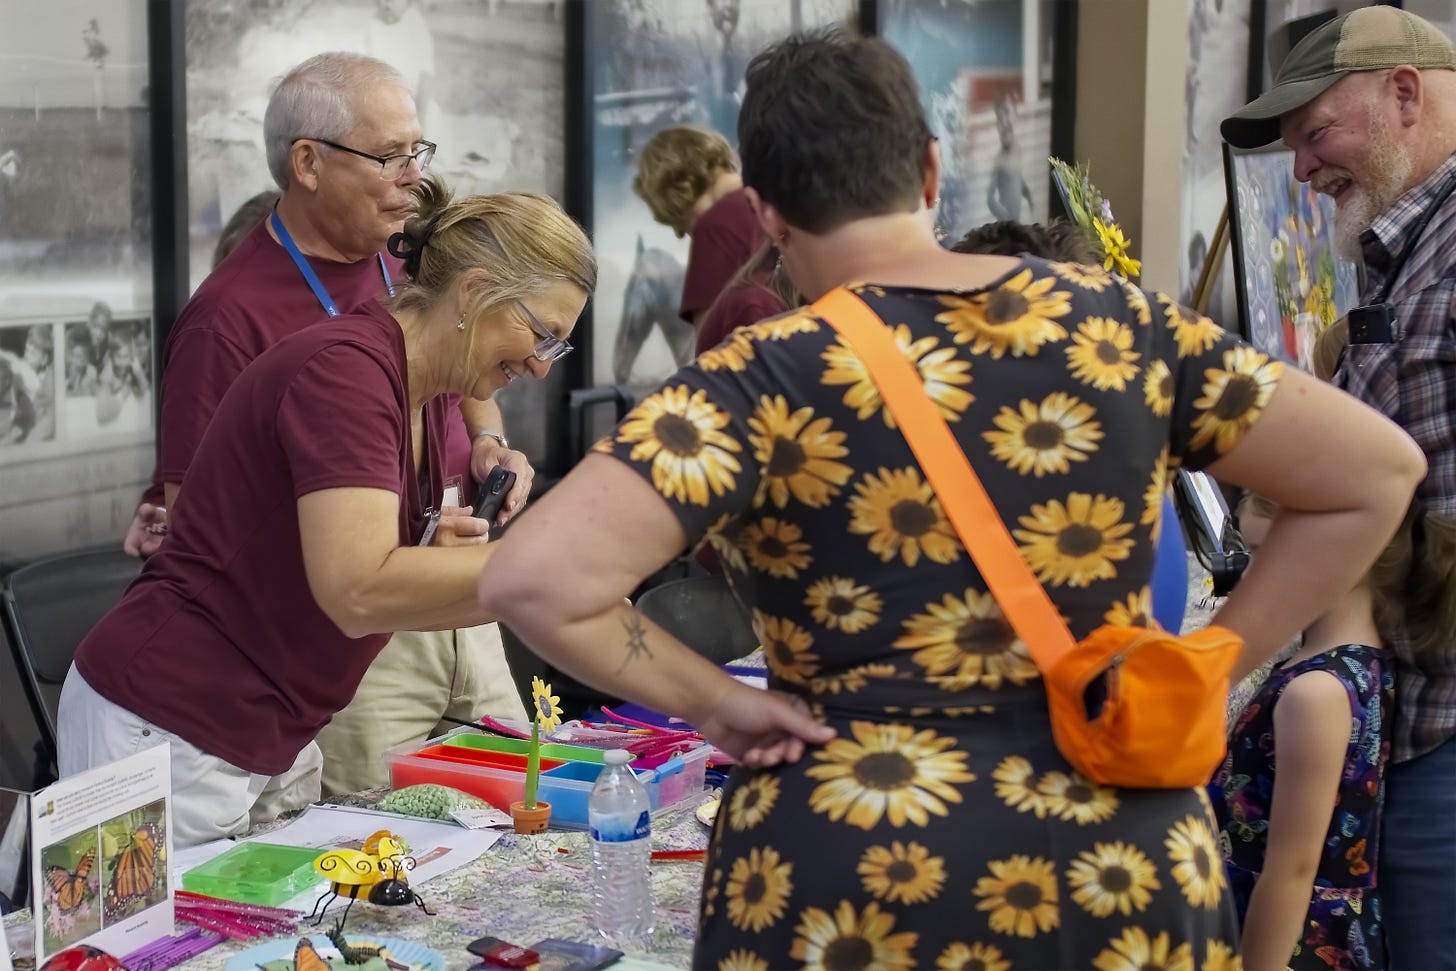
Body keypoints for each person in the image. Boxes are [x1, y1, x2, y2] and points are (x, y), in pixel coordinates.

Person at [480, 29, 1423, 968]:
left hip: (845, 866)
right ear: (931, 173)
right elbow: (1375, 474)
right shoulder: (1119, 326)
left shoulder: (760, 378)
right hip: (1114, 855)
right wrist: (1210, 665)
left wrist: (716, 701)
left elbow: (533, 577)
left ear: (767, 217)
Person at [58, 177, 595, 847]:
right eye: (543, 335)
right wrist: (541, 564)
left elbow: (378, 583)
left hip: (266, 727)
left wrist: (449, 570)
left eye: (556, 347)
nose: (542, 367)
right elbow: (357, 588)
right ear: (472, 291)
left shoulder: (424, 389)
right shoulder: (346, 373)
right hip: (172, 717)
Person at [122, 53, 533, 796]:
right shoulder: (228, 319)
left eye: (418, 151)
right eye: (390, 156)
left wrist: (487, 439)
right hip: (354, 624)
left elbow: (466, 346)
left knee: (523, 804)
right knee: (377, 847)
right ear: (307, 163)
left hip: (447, 574)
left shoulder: (406, 260)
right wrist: (398, 544)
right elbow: (201, 526)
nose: (413, 175)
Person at [1222, 8, 1456, 965]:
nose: (1305, 172)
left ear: (1405, 93)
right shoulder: (1403, 253)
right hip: (1405, 714)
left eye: (1315, 135)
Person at [633, 125, 765, 330]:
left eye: (681, 224)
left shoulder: (714, 227)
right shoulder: (770, 202)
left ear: (676, 192)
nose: (684, 234)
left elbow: (710, 345)